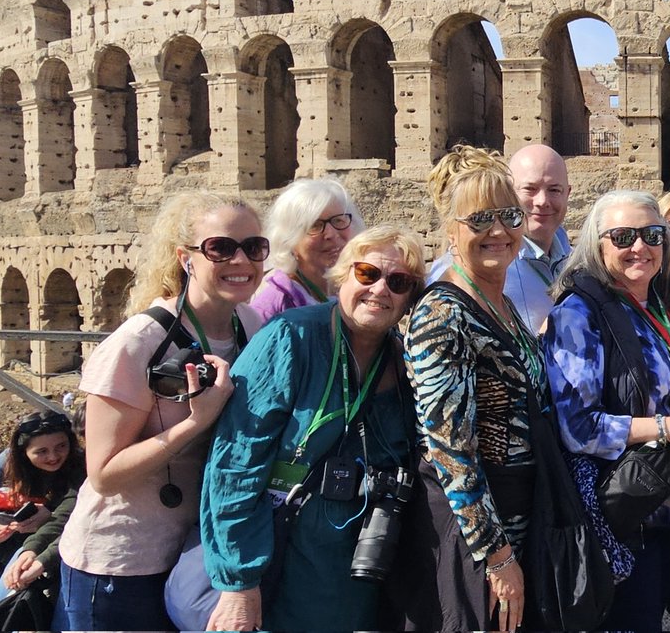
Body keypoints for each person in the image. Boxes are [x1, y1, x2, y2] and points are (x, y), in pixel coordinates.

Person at [54, 191, 265, 631]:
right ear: (186, 258)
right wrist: (196, 421)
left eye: (253, 247)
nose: (240, 260)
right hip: (121, 563)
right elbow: (104, 474)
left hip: (194, 560)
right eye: (221, 248)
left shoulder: (251, 326)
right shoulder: (139, 341)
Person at [202, 224, 421, 631]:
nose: (380, 290)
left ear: (410, 298)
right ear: (343, 276)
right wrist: (238, 583)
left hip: (362, 566)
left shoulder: (403, 361)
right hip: (282, 559)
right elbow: (235, 463)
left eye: (398, 282)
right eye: (367, 274)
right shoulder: (291, 338)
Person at [544, 190, 670, 632]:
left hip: (663, 508)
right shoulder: (578, 313)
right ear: (598, 245)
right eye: (623, 236)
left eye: (651, 234)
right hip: (619, 516)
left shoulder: (655, 307)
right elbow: (579, 427)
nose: (639, 247)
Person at [395, 145, 549, 632]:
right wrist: (498, 557)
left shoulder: (500, 304)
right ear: (450, 228)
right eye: (480, 219)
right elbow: (449, 449)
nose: (499, 231)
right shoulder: (443, 314)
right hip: (473, 529)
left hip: (516, 512)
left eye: (508, 215)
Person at [428, 143, 572, 334]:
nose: (542, 201)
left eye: (554, 190)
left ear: (568, 193)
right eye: (530, 189)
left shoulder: (576, 261)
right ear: (509, 194)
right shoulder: (472, 265)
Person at [250, 177, 365, 321]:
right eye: (315, 225)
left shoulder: (361, 286)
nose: (331, 234)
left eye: (338, 221)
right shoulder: (274, 303)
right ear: (289, 239)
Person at [0, 411, 85, 600]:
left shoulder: (81, 467)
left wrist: (49, 512)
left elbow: (67, 512)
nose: (53, 457)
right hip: (14, 541)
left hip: (53, 544)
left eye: (61, 446)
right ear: (23, 452)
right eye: (41, 452)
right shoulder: (6, 464)